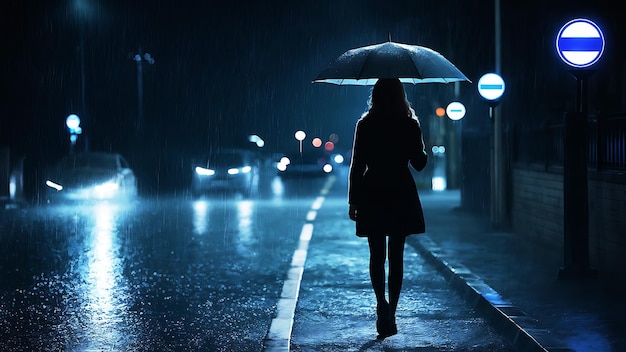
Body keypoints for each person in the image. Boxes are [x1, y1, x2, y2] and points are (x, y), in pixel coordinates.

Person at [348, 78, 428, 339]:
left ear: (376, 96)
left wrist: (354, 200)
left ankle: (380, 303)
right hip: (400, 192)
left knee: (376, 255)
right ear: (401, 95)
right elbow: (419, 163)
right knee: (397, 256)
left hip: (373, 191)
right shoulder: (408, 124)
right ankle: (392, 310)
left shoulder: (366, 124)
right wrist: (420, 143)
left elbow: (357, 165)